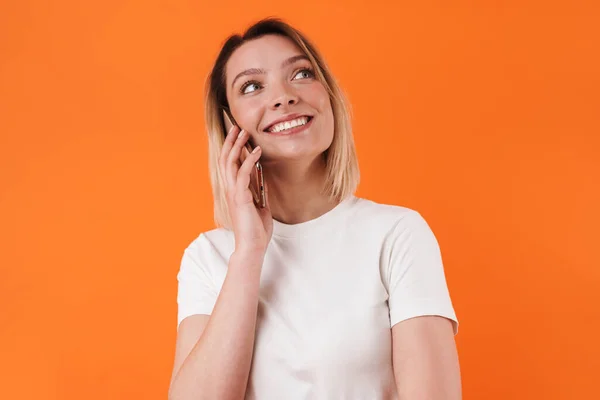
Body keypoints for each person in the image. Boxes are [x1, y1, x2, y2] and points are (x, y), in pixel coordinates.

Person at [168, 17, 461, 400]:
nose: (283, 96)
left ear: (329, 97)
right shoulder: (208, 258)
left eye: (302, 74)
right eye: (252, 86)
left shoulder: (397, 234)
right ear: (229, 125)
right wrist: (249, 252)